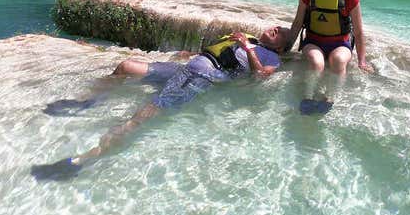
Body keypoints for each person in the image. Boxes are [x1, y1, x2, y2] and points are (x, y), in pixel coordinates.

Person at [31, 26, 290, 181]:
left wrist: (247, 48)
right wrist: (185, 54)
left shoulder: (271, 57)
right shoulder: (246, 36)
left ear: (281, 47)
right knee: (125, 66)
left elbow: (261, 74)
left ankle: (83, 161)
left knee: (146, 113)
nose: (275, 30)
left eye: (280, 33)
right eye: (276, 27)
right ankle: (87, 103)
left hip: (201, 77)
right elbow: (213, 51)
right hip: (186, 67)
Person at [286, 0, 372, 114]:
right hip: (313, 42)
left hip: (340, 44)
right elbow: (297, 22)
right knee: (316, 62)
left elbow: (359, 32)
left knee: (338, 61)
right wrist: (287, 48)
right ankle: (308, 96)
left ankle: (330, 97)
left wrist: (362, 61)